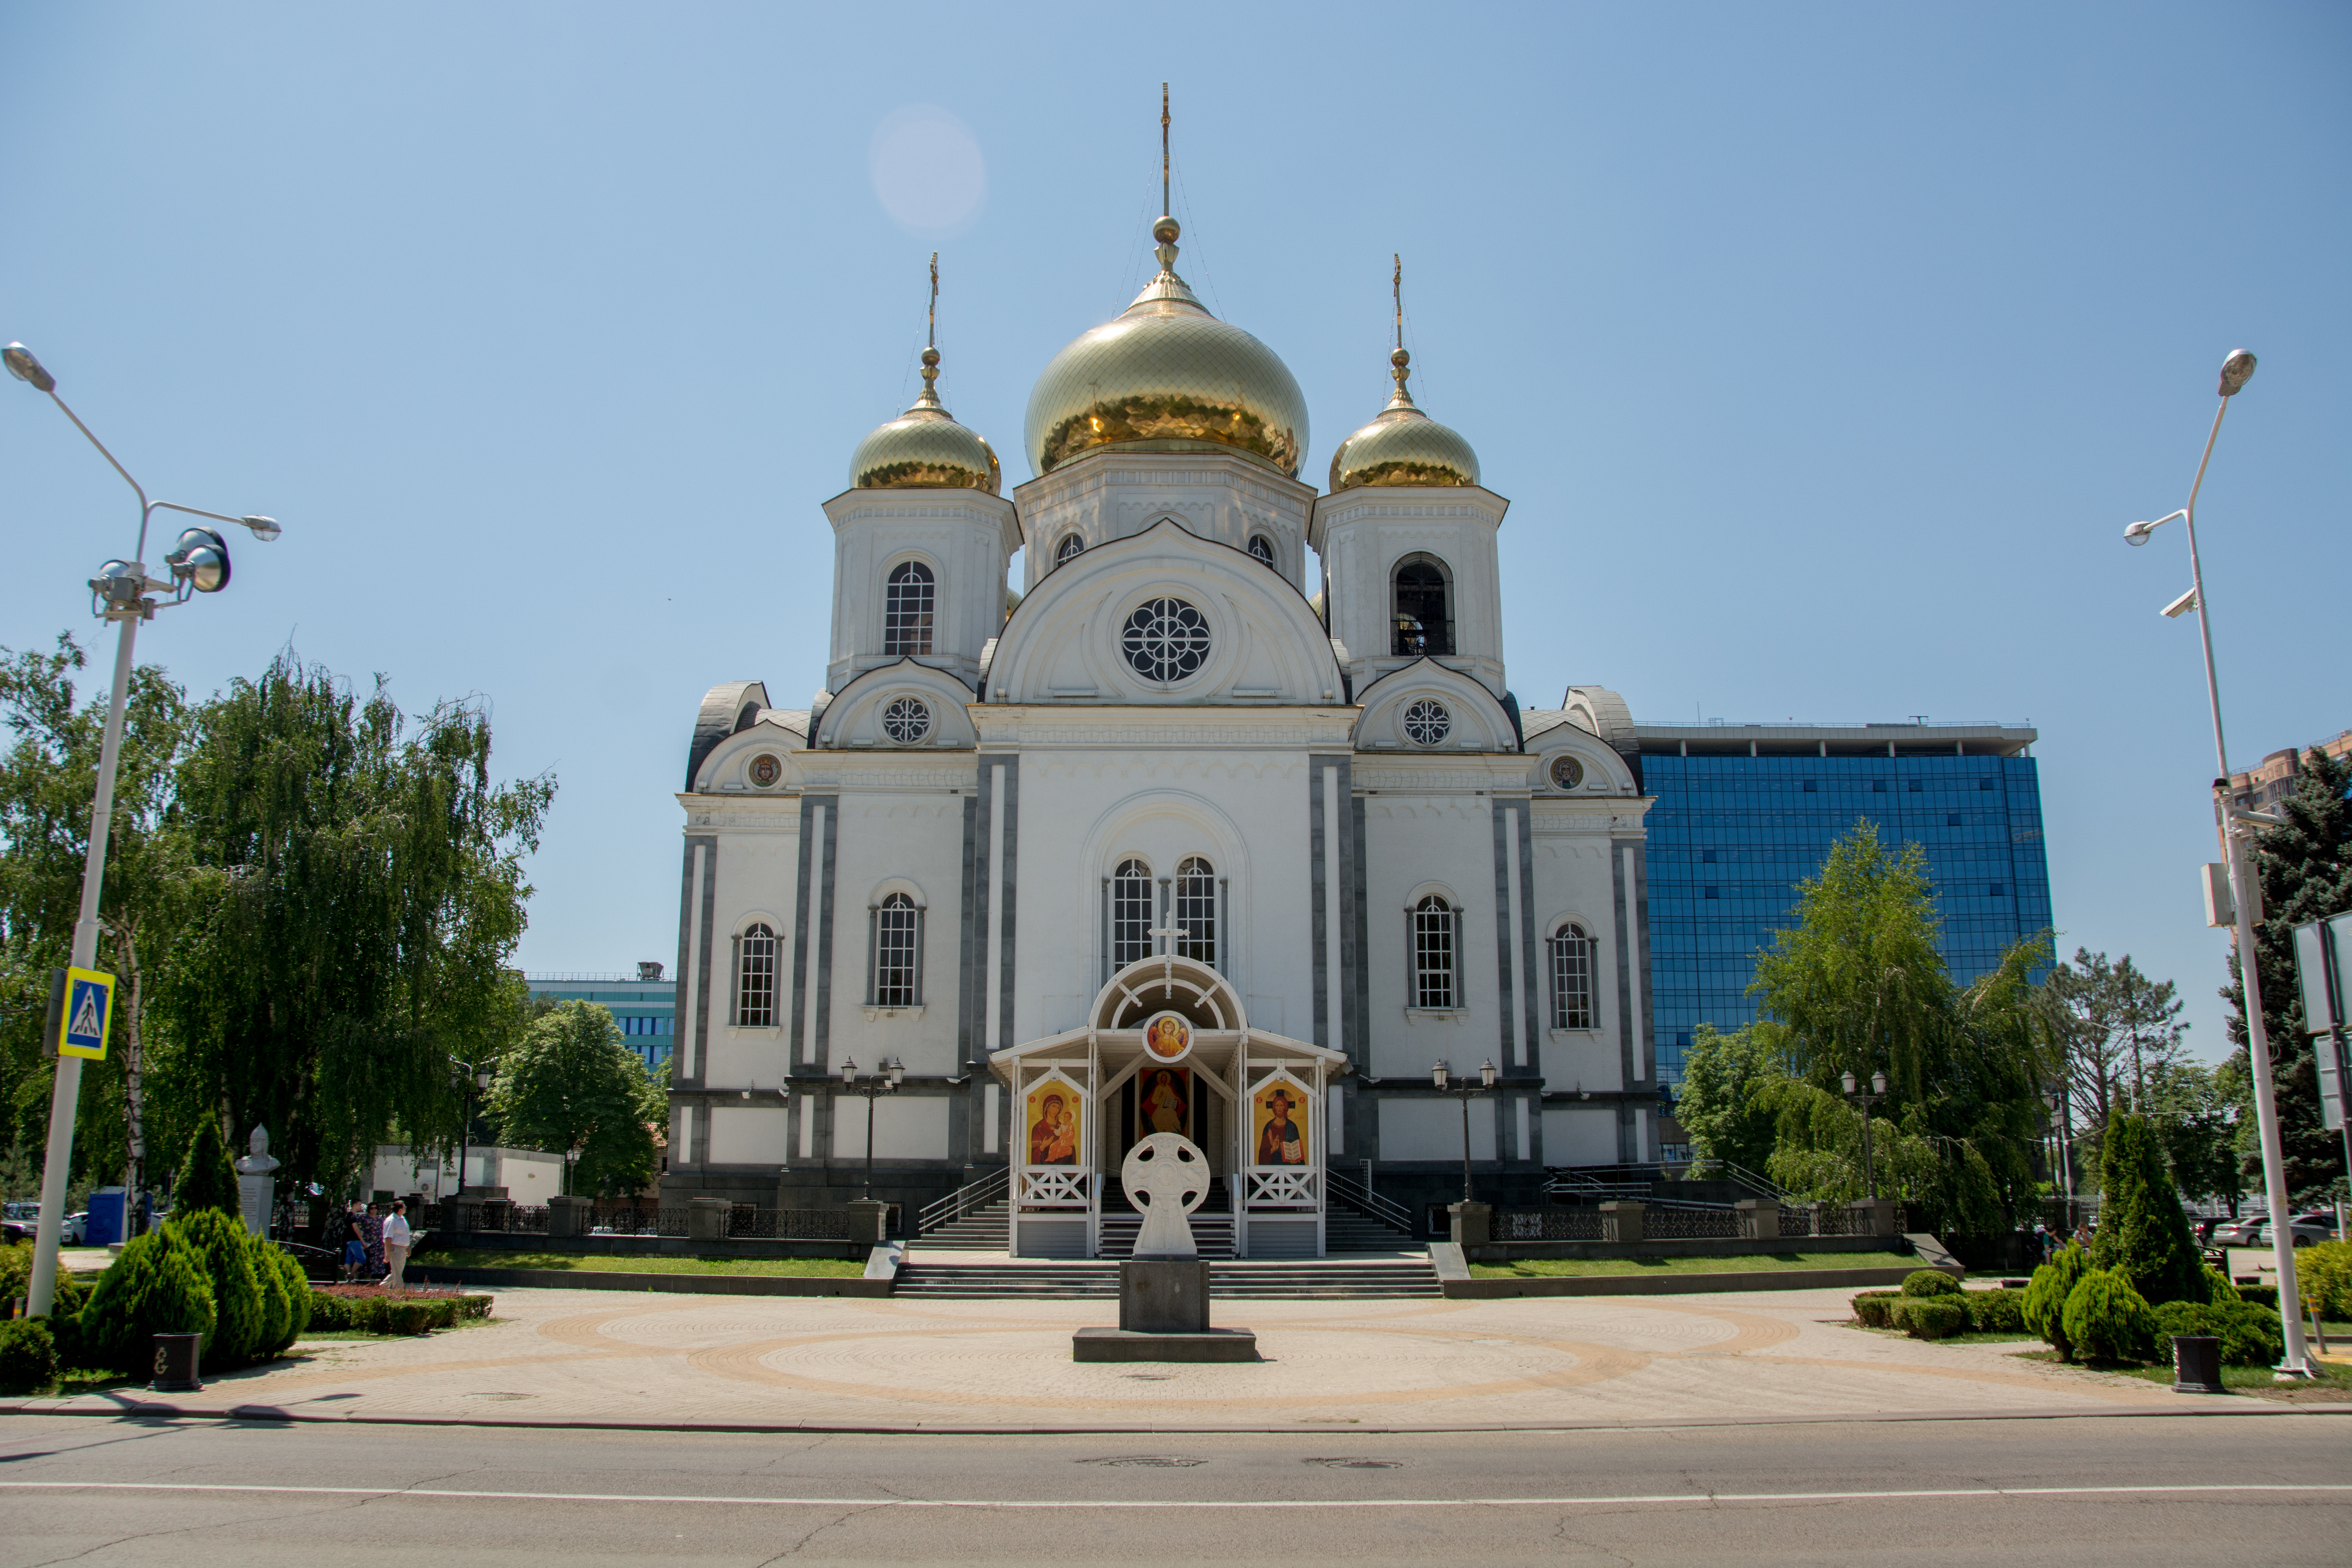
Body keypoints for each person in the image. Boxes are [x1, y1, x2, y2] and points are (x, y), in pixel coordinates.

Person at [382, 1199, 412, 1289]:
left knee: (396, 1272)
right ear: (400, 1210)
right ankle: (398, 1292)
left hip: (402, 1249)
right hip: (395, 1249)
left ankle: (381, 1288)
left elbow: (405, 1235)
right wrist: (388, 1254)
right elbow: (388, 1238)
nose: (406, 1208)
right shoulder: (391, 1221)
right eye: (404, 1207)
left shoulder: (402, 1219)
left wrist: (408, 1248)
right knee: (398, 1274)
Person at [339, 1202, 366, 1282]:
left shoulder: (348, 1215)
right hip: (354, 1241)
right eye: (359, 1204)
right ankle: (351, 1276)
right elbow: (356, 1230)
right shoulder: (353, 1216)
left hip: (349, 1241)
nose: (361, 1206)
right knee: (362, 1259)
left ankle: (346, 1280)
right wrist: (364, 1242)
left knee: (349, 1260)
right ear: (355, 1205)